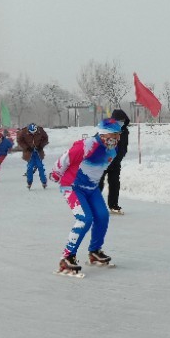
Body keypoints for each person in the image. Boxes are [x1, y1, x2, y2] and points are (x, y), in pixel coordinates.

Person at [48, 118, 121, 275]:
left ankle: (94, 251)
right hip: (73, 187)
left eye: (118, 136)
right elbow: (66, 157)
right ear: (103, 135)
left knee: (102, 216)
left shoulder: (112, 151)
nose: (116, 139)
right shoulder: (88, 145)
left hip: (91, 188)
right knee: (85, 219)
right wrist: (56, 173)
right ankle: (67, 257)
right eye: (113, 136)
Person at [99, 109, 129, 214]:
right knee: (99, 184)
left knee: (115, 184)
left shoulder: (125, 131)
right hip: (103, 161)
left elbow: (124, 146)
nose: (121, 122)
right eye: (118, 120)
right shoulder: (106, 129)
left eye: (122, 120)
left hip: (116, 163)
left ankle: (114, 205)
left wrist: (121, 155)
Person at [17, 122, 49, 189]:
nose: (33, 133)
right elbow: (19, 140)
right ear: (29, 130)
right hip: (29, 152)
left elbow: (46, 138)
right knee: (30, 167)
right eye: (32, 132)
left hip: (38, 152)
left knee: (40, 166)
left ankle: (44, 182)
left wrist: (41, 146)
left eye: (34, 132)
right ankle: (29, 182)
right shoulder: (24, 131)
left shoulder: (40, 130)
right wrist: (26, 147)